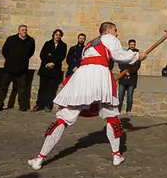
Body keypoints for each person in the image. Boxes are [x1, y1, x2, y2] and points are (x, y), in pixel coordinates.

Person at [27, 22, 147, 170]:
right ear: (109, 30)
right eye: (115, 30)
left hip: (82, 76)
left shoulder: (89, 44)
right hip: (99, 75)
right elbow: (118, 55)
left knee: (64, 117)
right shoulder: (109, 38)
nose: (117, 33)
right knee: (111, 114)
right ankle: (116, 155)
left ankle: (40, 158)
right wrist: (137, 55)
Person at [0, 25, 36, 111]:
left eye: (25, 30)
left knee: (22, 88)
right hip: (9, 68)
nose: (24, 31)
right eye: (22, 30)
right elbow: (5, 51)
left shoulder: (30, 40)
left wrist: (23, 60)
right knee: (4, 87)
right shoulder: (11, 39)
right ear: (19, 31)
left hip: (22, 69)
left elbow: (30, 52)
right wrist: (11, 59)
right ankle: (0, 104)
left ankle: (22, 105)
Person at [34, 29, 67, 112]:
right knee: (42, 88)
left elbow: (62, 56)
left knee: (51, 89)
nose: (58, 36)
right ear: (53, 35)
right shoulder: (47, 43)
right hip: (45, 69)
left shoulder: (63, 45)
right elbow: (42, 54)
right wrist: (47, 63)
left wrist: (53, 63)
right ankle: (39, 104)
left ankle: (48, 105)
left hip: (54, 70)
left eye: (59, 35)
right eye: (56, 35)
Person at [117, 39, 141, 116]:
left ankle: (128, 110)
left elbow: (137, 66)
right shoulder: (125, 53)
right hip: (123, 77)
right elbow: (121, 63)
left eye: (133, 44)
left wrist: (129, 72)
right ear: (129, 45)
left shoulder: (138, 54)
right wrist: (125, 71)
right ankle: (118, 110)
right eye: (131, 44)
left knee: (130, 95)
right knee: (120, 95)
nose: (132, 46)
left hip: (132, 77)